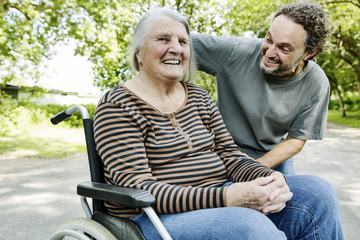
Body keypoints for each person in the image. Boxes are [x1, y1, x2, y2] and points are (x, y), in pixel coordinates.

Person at [94, 7, 343, 240]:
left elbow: (230, 155)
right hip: (154, 216)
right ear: (138, 50)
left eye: (183, 42)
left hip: (218, 194)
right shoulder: (119, 105)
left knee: (317, 193)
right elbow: (140, 189)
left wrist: (268, 177)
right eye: (163, 39)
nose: (176, 48)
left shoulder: (198, 97)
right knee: (249, 226)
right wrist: (227, 196)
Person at [192, 2, 330, 176]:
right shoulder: (235, 52)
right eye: (269, 39)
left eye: (284, 48)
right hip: (220, 150)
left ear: (310, 53)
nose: (270, 53)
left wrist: (251, 169)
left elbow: (295, 141)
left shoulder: (316, 83)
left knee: (297, 196)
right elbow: (176, 44)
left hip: (271, 155)